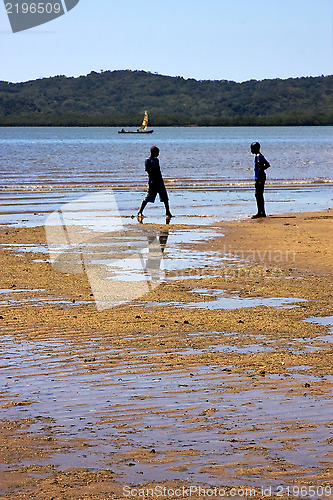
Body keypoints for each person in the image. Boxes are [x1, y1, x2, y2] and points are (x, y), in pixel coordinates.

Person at [137, 146, 172, 220]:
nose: (158, 154)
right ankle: (140, 212)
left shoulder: (157, 160)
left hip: (160, 181)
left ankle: (167, 212)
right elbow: (148, 171)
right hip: (153, 182)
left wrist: (161, 180)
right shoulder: (148, 161)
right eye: (157, 153)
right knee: (149, 197)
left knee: (165, 197)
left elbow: (159, 171)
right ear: (153, 153)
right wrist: (153, 180)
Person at [250, 141, 270, 218]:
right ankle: (262, 212)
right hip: (262, 177)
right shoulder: (261, 155)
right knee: (259, 194)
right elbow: (267, 165)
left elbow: (259, 166)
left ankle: (260, 212)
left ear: (256, 148)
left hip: (260, 178)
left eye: (252, 148)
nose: (251, 150)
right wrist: (262, 170)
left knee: (258, 195)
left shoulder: (257, 156)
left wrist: (258, 177)